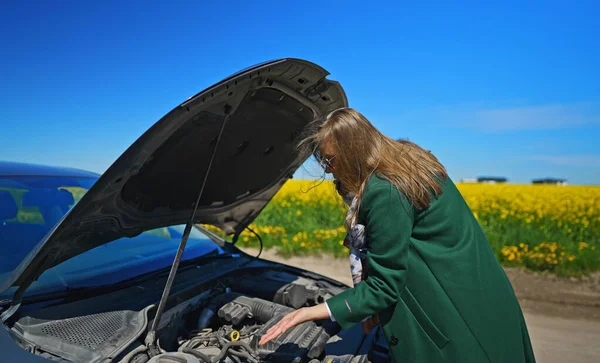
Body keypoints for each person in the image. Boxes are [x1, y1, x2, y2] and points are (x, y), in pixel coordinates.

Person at [258, 108, 536, 363]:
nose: (327, 169)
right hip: (479, 294)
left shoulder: (385, 190)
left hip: (453, 313)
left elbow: (384, 286)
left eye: (330, 159)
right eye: (322, 161)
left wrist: (307, 313)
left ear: (354, 150)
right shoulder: (406, 160)